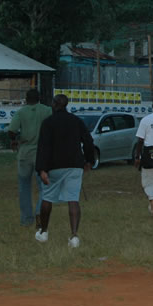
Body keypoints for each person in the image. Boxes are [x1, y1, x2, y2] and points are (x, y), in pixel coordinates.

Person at [34, 94, 95, 248]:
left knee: (47, 198)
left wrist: (42, 169)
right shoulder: (76, 121)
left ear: (54, 104)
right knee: (73, 199)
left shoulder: (48, 123)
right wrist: (89, 161)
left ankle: (44, 231)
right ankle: (74, 236)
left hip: (54, 166)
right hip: (75, 165)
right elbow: (88, 141)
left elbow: (43, 147)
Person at [7, 88, 52, 229]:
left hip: (25, 153)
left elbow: (11, 130)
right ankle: (39, 213)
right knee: (43, 187)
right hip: (42, 153)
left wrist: (14, 140)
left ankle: (26, 219)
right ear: (39, 98)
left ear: (26, 99)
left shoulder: (21, 112)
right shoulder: (47, 110)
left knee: (24, 187)